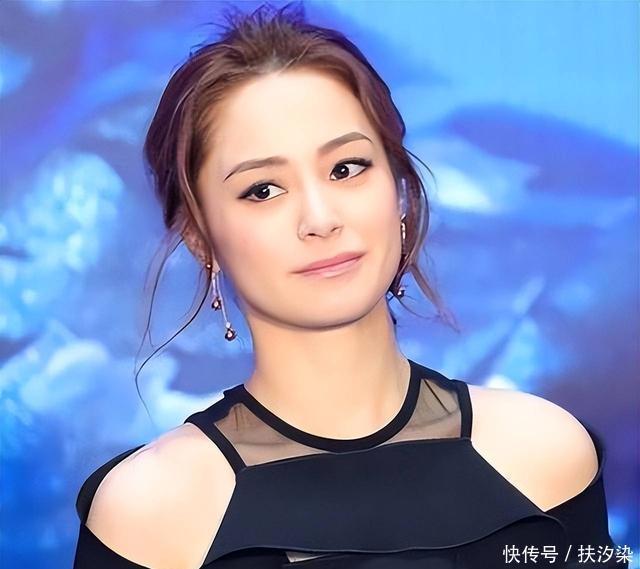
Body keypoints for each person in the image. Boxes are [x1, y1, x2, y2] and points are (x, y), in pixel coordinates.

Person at [72, 4, 625, 568]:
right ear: (200, 237)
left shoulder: (545, 453)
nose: (320, 218)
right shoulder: (150, 514)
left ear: (400, 189)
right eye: (263, 190)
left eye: (346, 168)